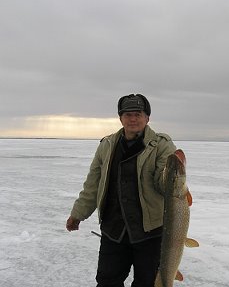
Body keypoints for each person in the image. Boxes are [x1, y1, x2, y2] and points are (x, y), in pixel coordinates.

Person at [66, 94, 176, 287]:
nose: (133, 119)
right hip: (114, 230)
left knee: (147, 283)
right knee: (107, 282)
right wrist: (78, 214)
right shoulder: (107, 146)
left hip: (150, 232)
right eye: (127, 114)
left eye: (138, 114)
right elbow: (93, 184)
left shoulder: (161, 145)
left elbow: (164, 186)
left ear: (147, 118)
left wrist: (174, 175)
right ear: (120, 118)